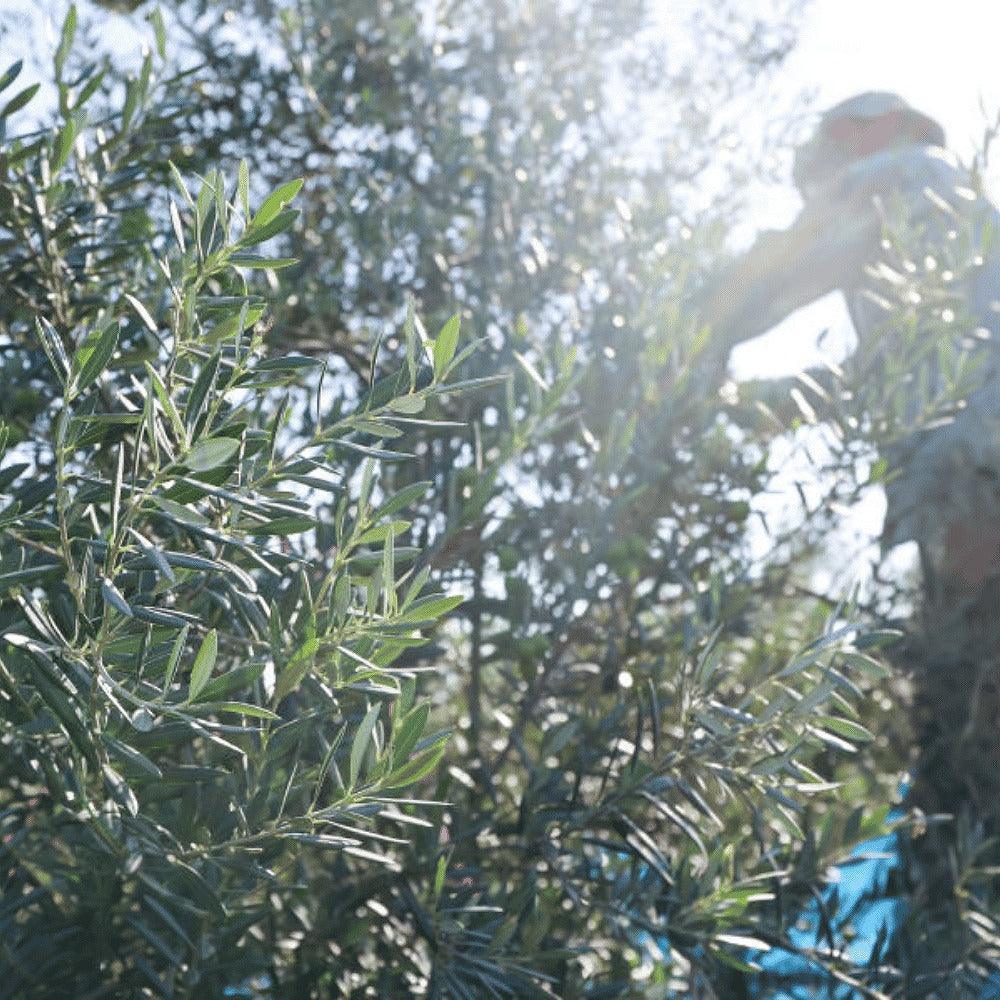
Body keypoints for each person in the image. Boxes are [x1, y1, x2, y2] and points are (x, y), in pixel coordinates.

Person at [706, 92, 1000, 593]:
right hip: (971, 453)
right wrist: (759, 405)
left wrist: (686, 331)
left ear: (878, 125)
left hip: (974, 461)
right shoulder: (954, 206)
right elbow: (876, 380)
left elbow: (779, 273)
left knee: (967, 644)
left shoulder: (898, 171)